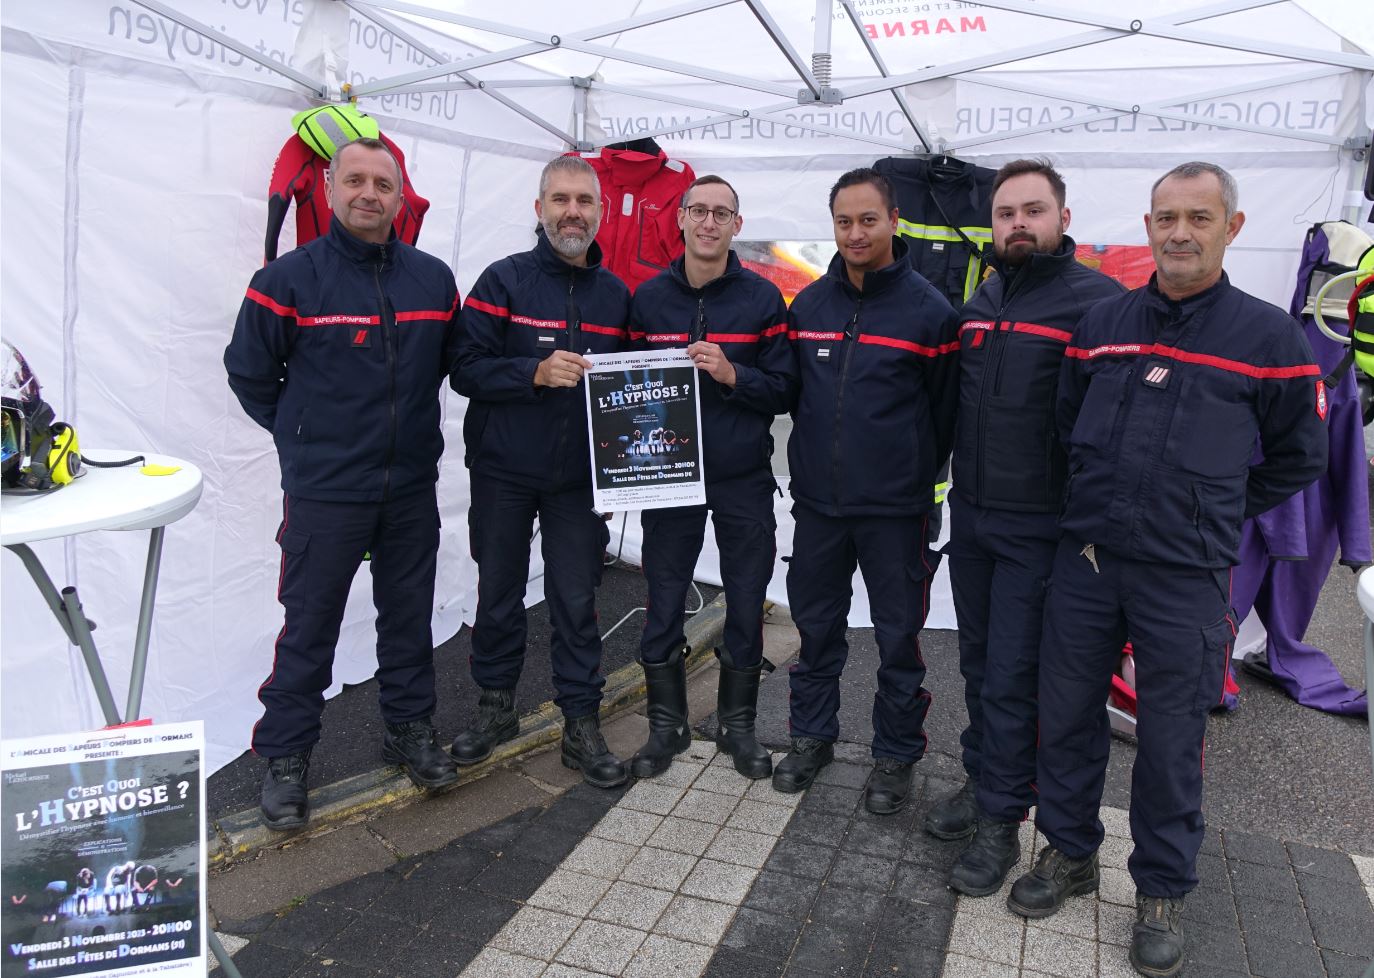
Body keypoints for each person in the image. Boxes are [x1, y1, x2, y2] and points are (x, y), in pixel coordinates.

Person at [1007, 162, 1327, 978]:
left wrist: (1214, 509)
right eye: (1165, 218)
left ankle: (1161, 889)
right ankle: (1070, 854)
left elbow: (1299, 455)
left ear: (1232, 226)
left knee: (1172, 738)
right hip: (1087, 562)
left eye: (1198, 217)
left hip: (1185, 575)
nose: (1180, 232)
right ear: (1146, 225)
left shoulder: (1269, 338)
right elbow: (1066, 421)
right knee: (1068, 715)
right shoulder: (1104, 321)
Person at [224, 136, 461, 832]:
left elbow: (452, 364)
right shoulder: (286, 282)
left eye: (382, 185)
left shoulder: (433, 280)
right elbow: (249, 374)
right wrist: (303, 438)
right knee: (310, 627)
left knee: (408, 617)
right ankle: (287, 757)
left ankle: (409, 730)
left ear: (398, 197)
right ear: (329, 191)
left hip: (410, 485)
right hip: (326, 489)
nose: (368, 194)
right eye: (354, 181)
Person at [927, 160, 1125, 896]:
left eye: (1032, 211)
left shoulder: (1097, 305)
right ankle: (987, 785)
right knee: (980, 668)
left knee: (1013, 676)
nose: (1017, 224)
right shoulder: (982, 301)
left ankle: (1000, 824)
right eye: (1005, 213)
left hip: (1041, 530)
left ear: (1062, 219)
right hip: (974, 518)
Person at [775, 168, 960, 812]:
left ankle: (895, 755)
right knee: (817, 627)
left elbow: (942, 418)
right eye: (844, 222)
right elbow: (794, 398)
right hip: (819, 509)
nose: (856, 233)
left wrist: (905, 474)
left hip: (895, 512)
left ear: (894, 221)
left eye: (868, 220)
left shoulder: (930, 312)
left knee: (897, 638)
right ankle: (811, 737)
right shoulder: (811, 306)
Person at [451, 155, 632, 788]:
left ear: (601, 211)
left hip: (579, 479)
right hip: (503, 469)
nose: (572, 212)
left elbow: (631, 387)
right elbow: (463, 366)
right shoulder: (502, 281)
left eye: (584, 200)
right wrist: (531, 371)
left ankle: (580, 723)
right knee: (498, 595)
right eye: (560, 200)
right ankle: (496, 708)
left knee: (576, 601)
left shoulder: (617, 296)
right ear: (539, 209)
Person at [626, 175, 796, 780]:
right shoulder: (646, 299)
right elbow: (622, 389)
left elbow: (784, 388)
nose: (707, 222)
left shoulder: (763, 300)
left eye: (721, 213)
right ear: (680, 219)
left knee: (747, 597)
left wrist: (731, 374)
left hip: (740, 474)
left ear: (736, 226)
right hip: (668, 476)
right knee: (664, 597)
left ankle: (738, 726)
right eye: (697, 210)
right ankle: (665, 728)